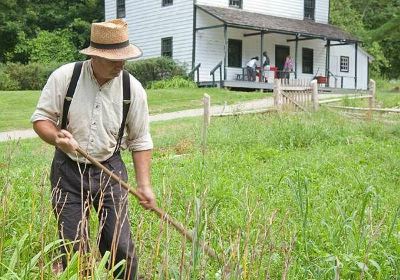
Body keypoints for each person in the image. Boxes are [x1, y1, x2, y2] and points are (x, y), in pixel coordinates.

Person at [31, 19, 155, 279]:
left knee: (118, 245)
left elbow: (140, 140)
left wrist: (144, 185)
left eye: (124, 59)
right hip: (68, 171)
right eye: (114, 60)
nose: (120, 65)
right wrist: (56, 138)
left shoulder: (133, 89)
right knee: (73, 245)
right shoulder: (65, 77)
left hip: (110, 170)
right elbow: (41, 119)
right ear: (95, 56)